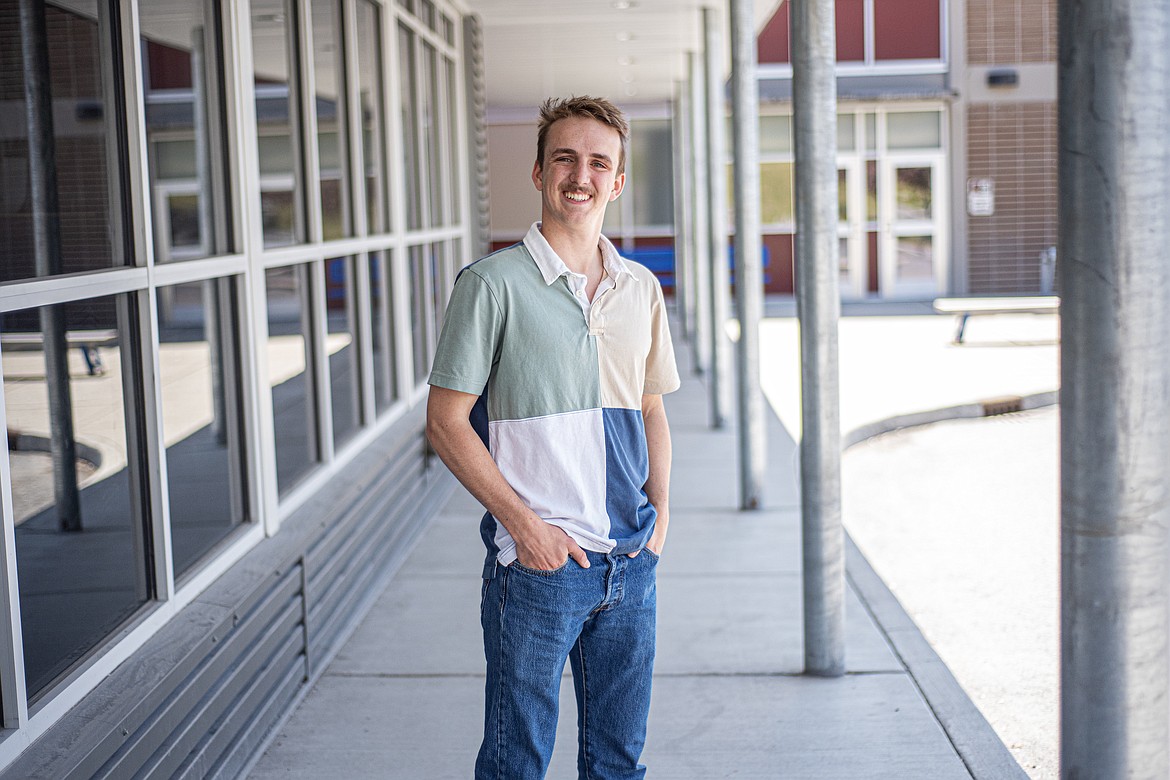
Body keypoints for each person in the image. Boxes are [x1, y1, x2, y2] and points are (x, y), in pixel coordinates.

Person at [425, 95, 680, 780]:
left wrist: (659, 520)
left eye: (600, 162)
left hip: (631, 566)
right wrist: (526, 529)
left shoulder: (640, 288)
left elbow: (651, 409)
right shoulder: (491, 284)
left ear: (618, 181)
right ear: (538, 172)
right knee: (516, 766)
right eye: (565, 158)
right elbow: (446, 424)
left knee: (619, 764)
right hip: (538, 571)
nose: (581, 175)